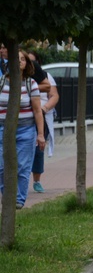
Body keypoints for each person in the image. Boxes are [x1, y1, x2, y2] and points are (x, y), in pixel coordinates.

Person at [0, 50, 46, 209]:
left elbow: (37, 110)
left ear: (26, 63)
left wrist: (40, 135)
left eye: (22, 59)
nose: (19, 61)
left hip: (26, 130)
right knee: (1, 166)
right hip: (2, 129)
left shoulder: (30, 83)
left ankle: (18, 200)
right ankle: (7, 196)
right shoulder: (1, 82)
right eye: (16, 58)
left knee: (22, 167)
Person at [27, 52, 59, 193]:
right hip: (23, 116)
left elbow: (54, 95)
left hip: (40, 115)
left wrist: (44, 108)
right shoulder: (17, 77)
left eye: (32, 62)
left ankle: (37, 180)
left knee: (38, 149)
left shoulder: (45, 76)